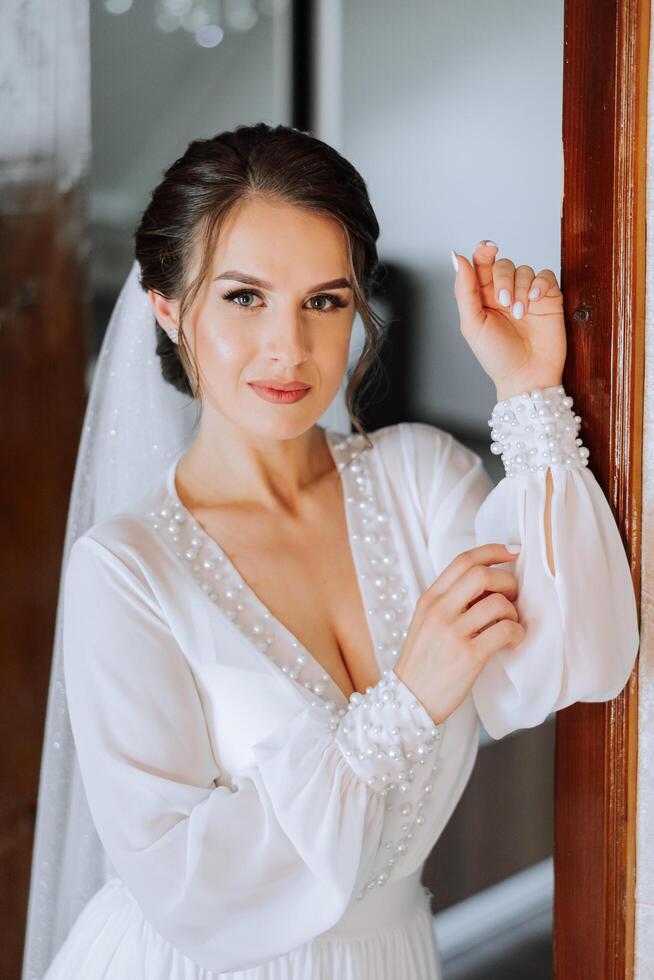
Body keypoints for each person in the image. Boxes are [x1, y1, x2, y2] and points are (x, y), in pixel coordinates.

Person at [23, 122, 640, 980]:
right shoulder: (124, 572)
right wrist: (407, 700)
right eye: (244, 297)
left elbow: (582, 657)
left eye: (325, 300)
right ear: (169, 309)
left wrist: (528, 393)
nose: (291, 348)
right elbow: (183, 884)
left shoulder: (420, 481)